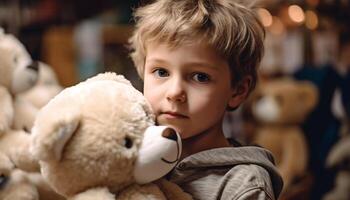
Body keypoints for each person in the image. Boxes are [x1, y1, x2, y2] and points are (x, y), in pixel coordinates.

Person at [128, 0, 283, 199]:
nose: (174, 92)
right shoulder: (129, 157)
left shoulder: (244, 185)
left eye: (200, 77)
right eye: (161, 72)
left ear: (237, 91)